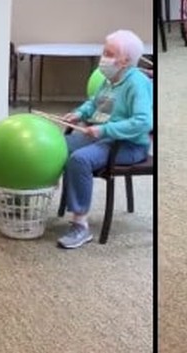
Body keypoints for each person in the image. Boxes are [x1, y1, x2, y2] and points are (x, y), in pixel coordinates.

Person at [57, 30, 153, 249]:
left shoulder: (137, 83)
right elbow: (94, 103)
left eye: (109, 53)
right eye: (104, 51)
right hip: (102, 138)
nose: (104, 57)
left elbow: (143, 122)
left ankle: (80, 225)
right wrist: (79, 114)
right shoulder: (110, 79)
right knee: (56, 146)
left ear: (126, 60)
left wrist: (104, 130)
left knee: (80, 160)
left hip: (128, 145)